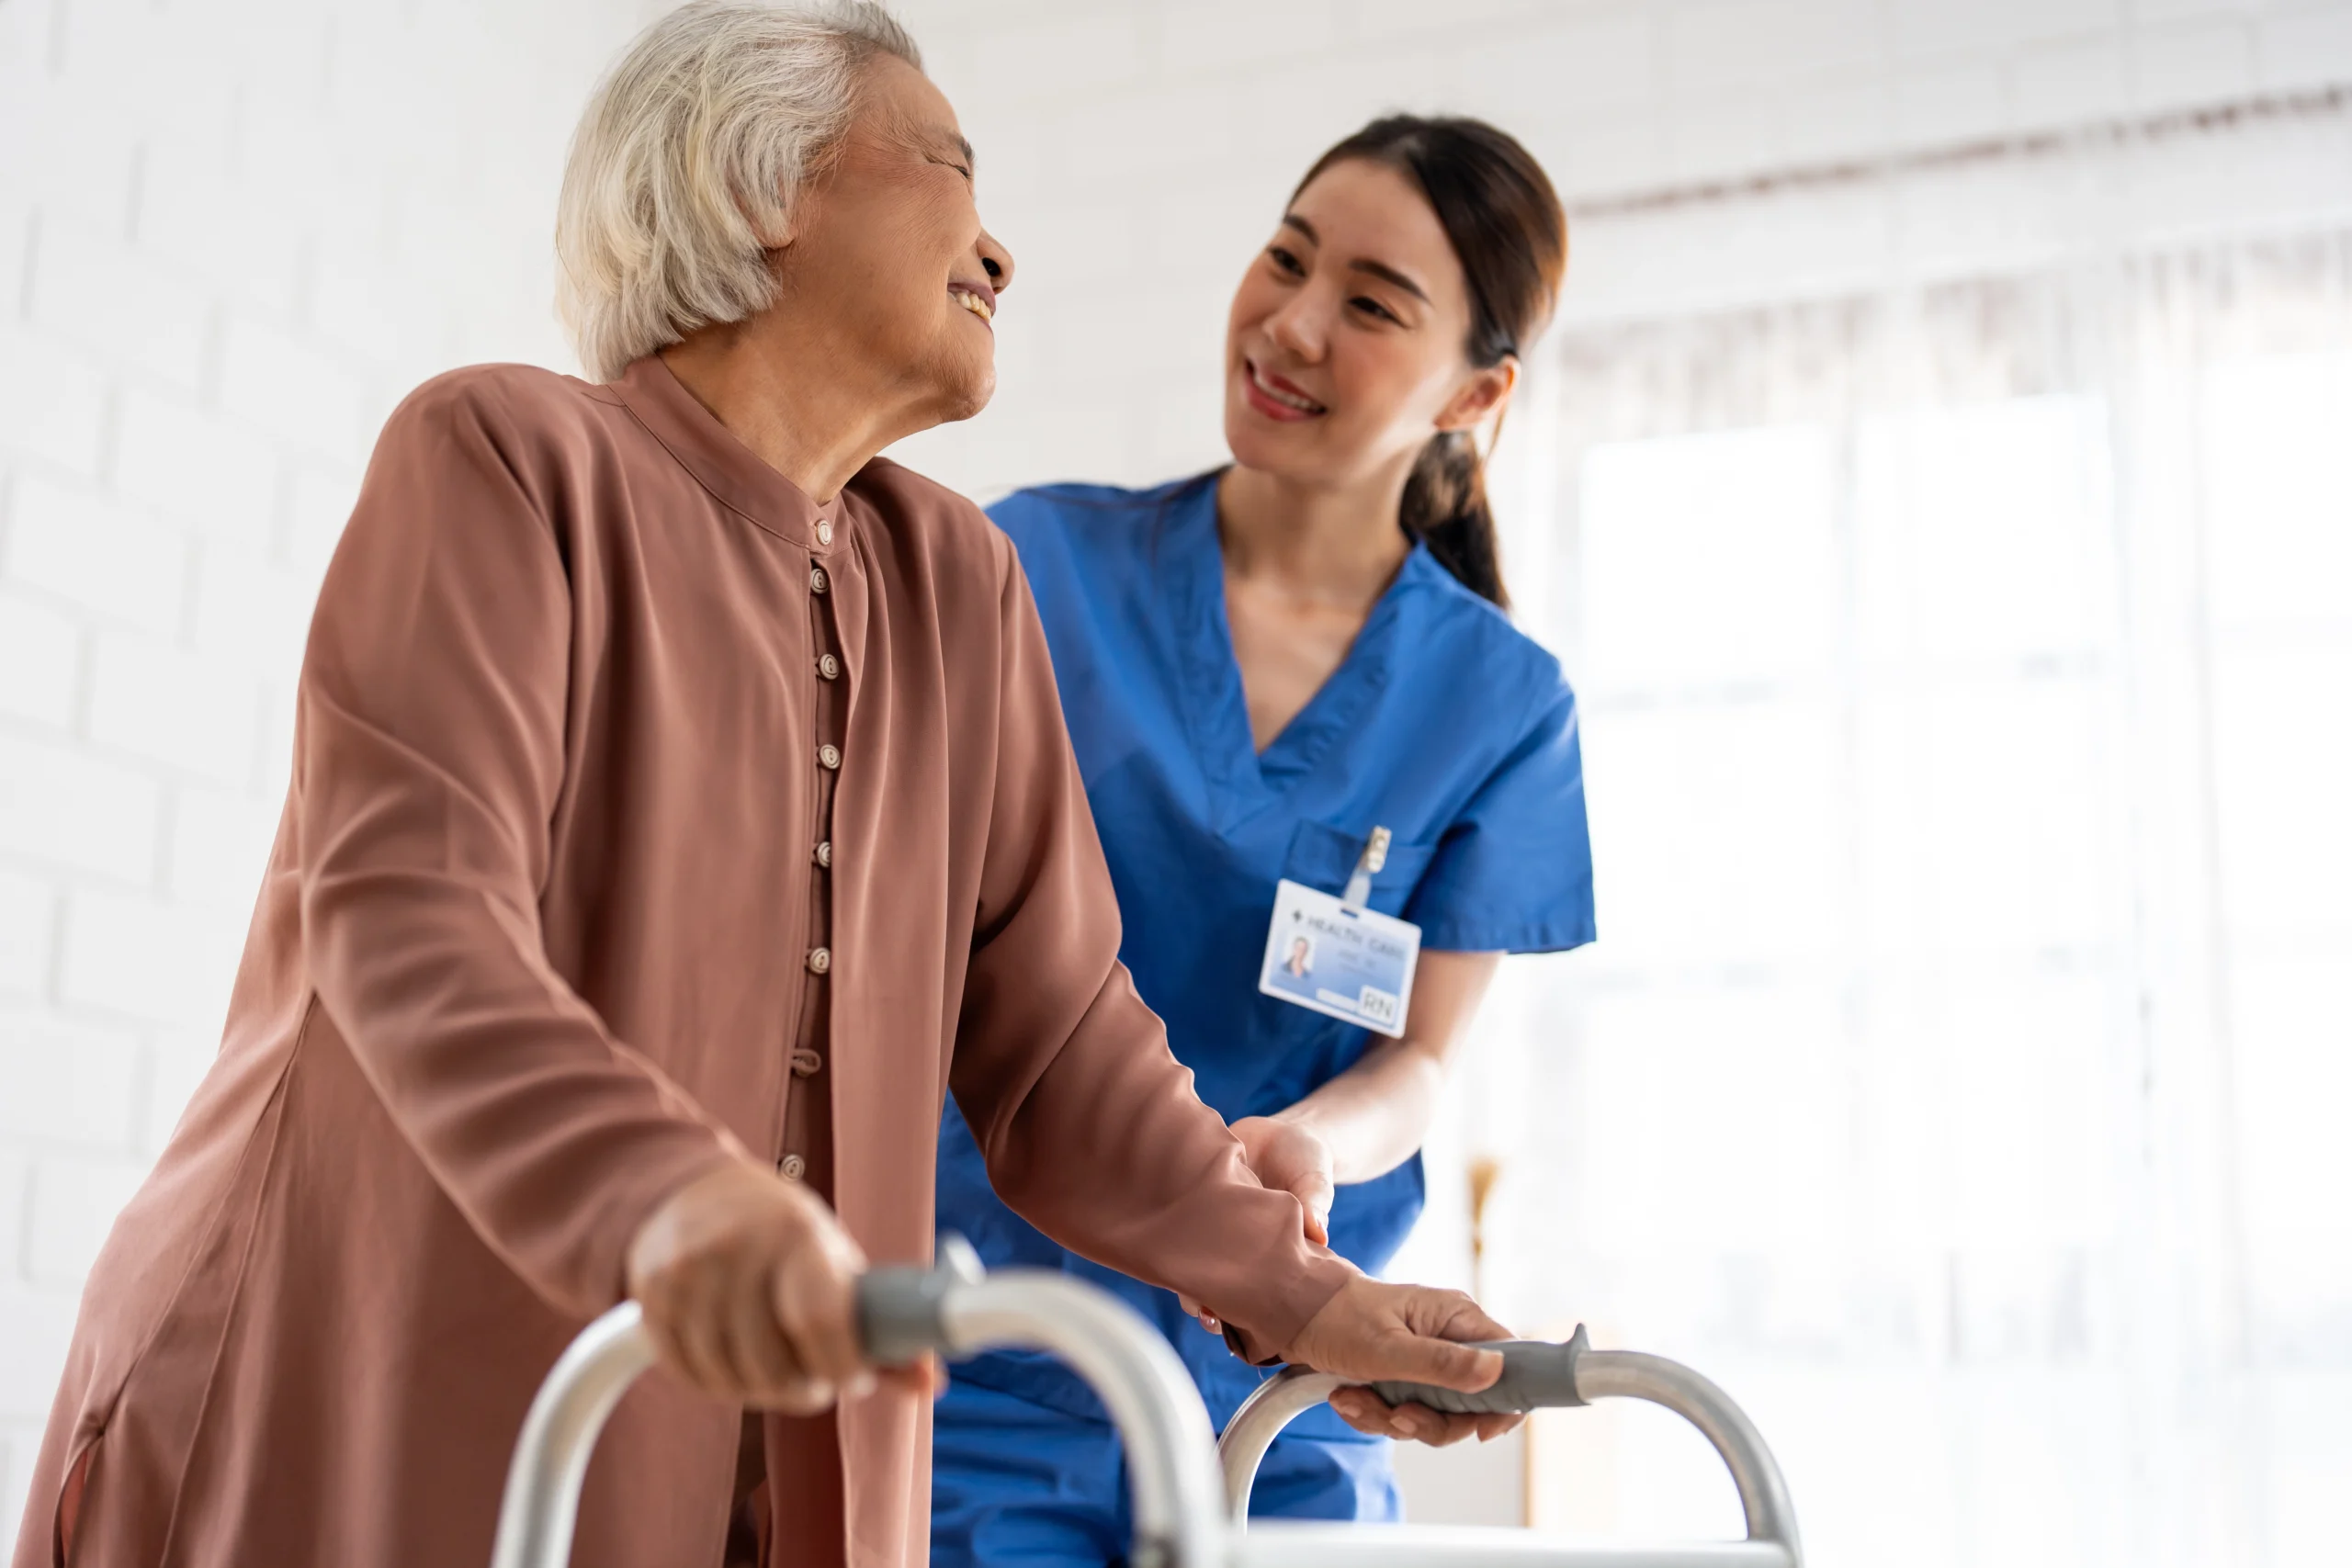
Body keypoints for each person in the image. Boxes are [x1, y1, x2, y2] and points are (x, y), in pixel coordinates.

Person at [8, 10, 1521, 1568]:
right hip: (354, 1397)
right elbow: (412, 923)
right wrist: (669, 1200)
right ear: (759, 193)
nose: (999, 252)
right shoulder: (507, 460)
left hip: (766, 1451)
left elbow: (1064, 1051)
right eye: (948, 168)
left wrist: (1313, 1296)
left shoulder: (963, 588)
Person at [930, 115, 1596, 1562]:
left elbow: (1416, 1063)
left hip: (1285, 1372)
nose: (1291, 325)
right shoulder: (1028, 566)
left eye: (1369, 303)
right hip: (982, 1345)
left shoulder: (1505, 704)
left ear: (1476, 390)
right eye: (1286, 260)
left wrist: (1310, 1142)